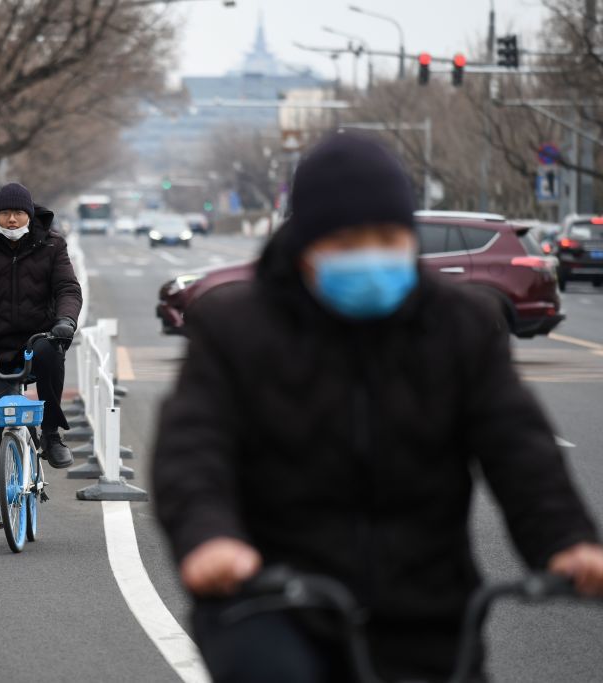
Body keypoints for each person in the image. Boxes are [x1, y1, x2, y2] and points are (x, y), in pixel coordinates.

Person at [152, 132, 603, 682]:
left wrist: (567, 542)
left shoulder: (458, 324)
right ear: (305, 245)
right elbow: (193, 447)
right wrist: (210, 538)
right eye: (347, 243)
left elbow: (518, 444)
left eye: (387, 238)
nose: (370, 255)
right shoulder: (236, 327)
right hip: (270, 601)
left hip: (427, 609)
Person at [0, 183, 82, 532]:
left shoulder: (53, 245)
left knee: (48, 353)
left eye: (18, 212)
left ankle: (51, 433)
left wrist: (65, 321)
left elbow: (67, 288)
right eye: (5, 213)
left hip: (39, 336)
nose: (11, 219)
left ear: (29, 214)